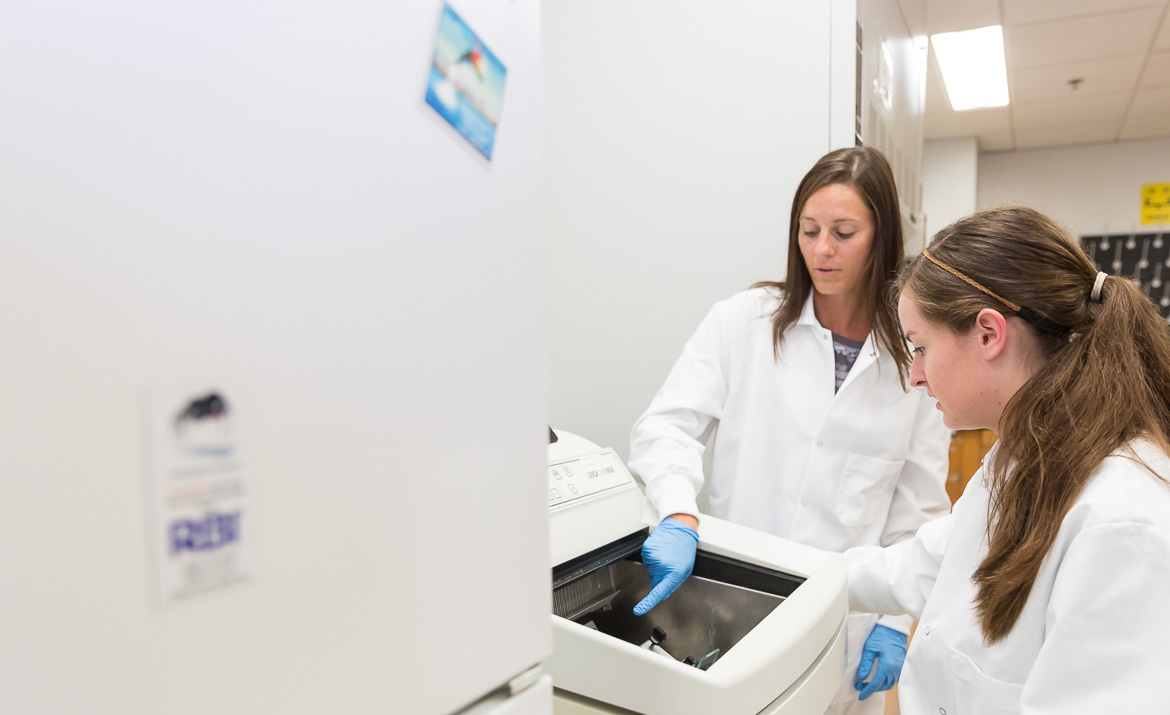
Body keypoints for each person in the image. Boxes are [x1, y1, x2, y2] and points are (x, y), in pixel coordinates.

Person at [628, 146, 951, 714]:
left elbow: (918, 514)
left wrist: (897, 624)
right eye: (809, 230)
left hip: (843, 629)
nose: (822, 249)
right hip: (733, 610)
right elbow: (666, 427)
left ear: (881, 237)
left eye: (844, 232)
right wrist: (678, 513)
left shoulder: (913, 359)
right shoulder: (743, 322)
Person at [847, 206, 1170, 713]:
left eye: (921, 347)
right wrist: (779, 576)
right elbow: (922, 566)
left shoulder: (1120, 520)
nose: (916, 375)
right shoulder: (1025, 456)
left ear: (989, 334)